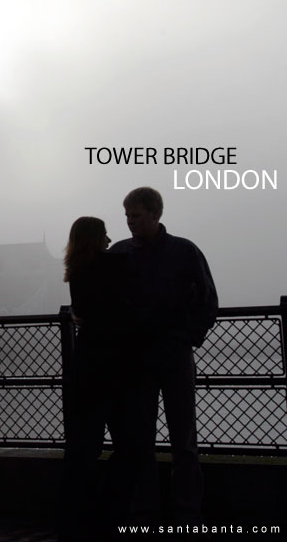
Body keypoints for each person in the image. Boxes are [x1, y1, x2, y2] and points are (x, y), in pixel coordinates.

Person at [110, 187, 218, 525]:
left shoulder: (121, 254)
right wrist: (189, 337)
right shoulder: (183, 251)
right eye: (128, 216)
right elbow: (207, 301)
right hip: (165, 357)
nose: (130, 222)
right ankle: (186, 514)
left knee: (149, 440)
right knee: (179, 440)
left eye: (136, 216)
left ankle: (148, 513)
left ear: (154, 214)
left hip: (146, 358)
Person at [58, 216, 131, 541]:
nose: (110, 240)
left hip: (85, 365)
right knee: (129, 445)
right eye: (104, 234)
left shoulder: (75, 271)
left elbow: (89, 313)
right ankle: (110, 513)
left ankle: (75, 518)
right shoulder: (115, 265)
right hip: (114, 365)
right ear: (95, 238)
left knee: (82, 447)